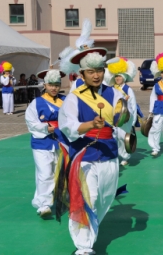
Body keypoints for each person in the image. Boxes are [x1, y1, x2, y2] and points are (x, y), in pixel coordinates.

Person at [56, 18, 129, 255]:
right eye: (91, 71)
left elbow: (121, 120)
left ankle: (89, 235)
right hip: (85, 156)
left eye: (99, 70)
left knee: (103, 201)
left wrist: (124, 113)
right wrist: (88, 124)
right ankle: (83, 247)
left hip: (109, 155)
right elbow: (66, 126)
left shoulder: (114, 93)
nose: (96, 75)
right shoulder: (74, 97)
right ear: (82, 73)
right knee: (86, 199)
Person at [25, 69, 68, 218]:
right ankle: (44, 204)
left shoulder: (66, 100)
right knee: (45, 173)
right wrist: (45, 128)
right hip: (42, 142)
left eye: (57, 84)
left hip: (62, 141)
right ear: (45, 85)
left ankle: (61, 197)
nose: (54, 88)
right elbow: (31, 122)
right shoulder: (36, 103)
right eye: (51, 85)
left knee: (60, 171)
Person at [104, 57, 137, 166]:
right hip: (114, 117)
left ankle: (125, 156)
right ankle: (116, 155)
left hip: (126, 118)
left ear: (124, 77)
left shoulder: (128, 90)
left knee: (123, 137)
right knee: (115, 137)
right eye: (116, 76)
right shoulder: (111, 88)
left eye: (120, 76)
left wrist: (132, 120)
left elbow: (133, 105)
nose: (118, 78)